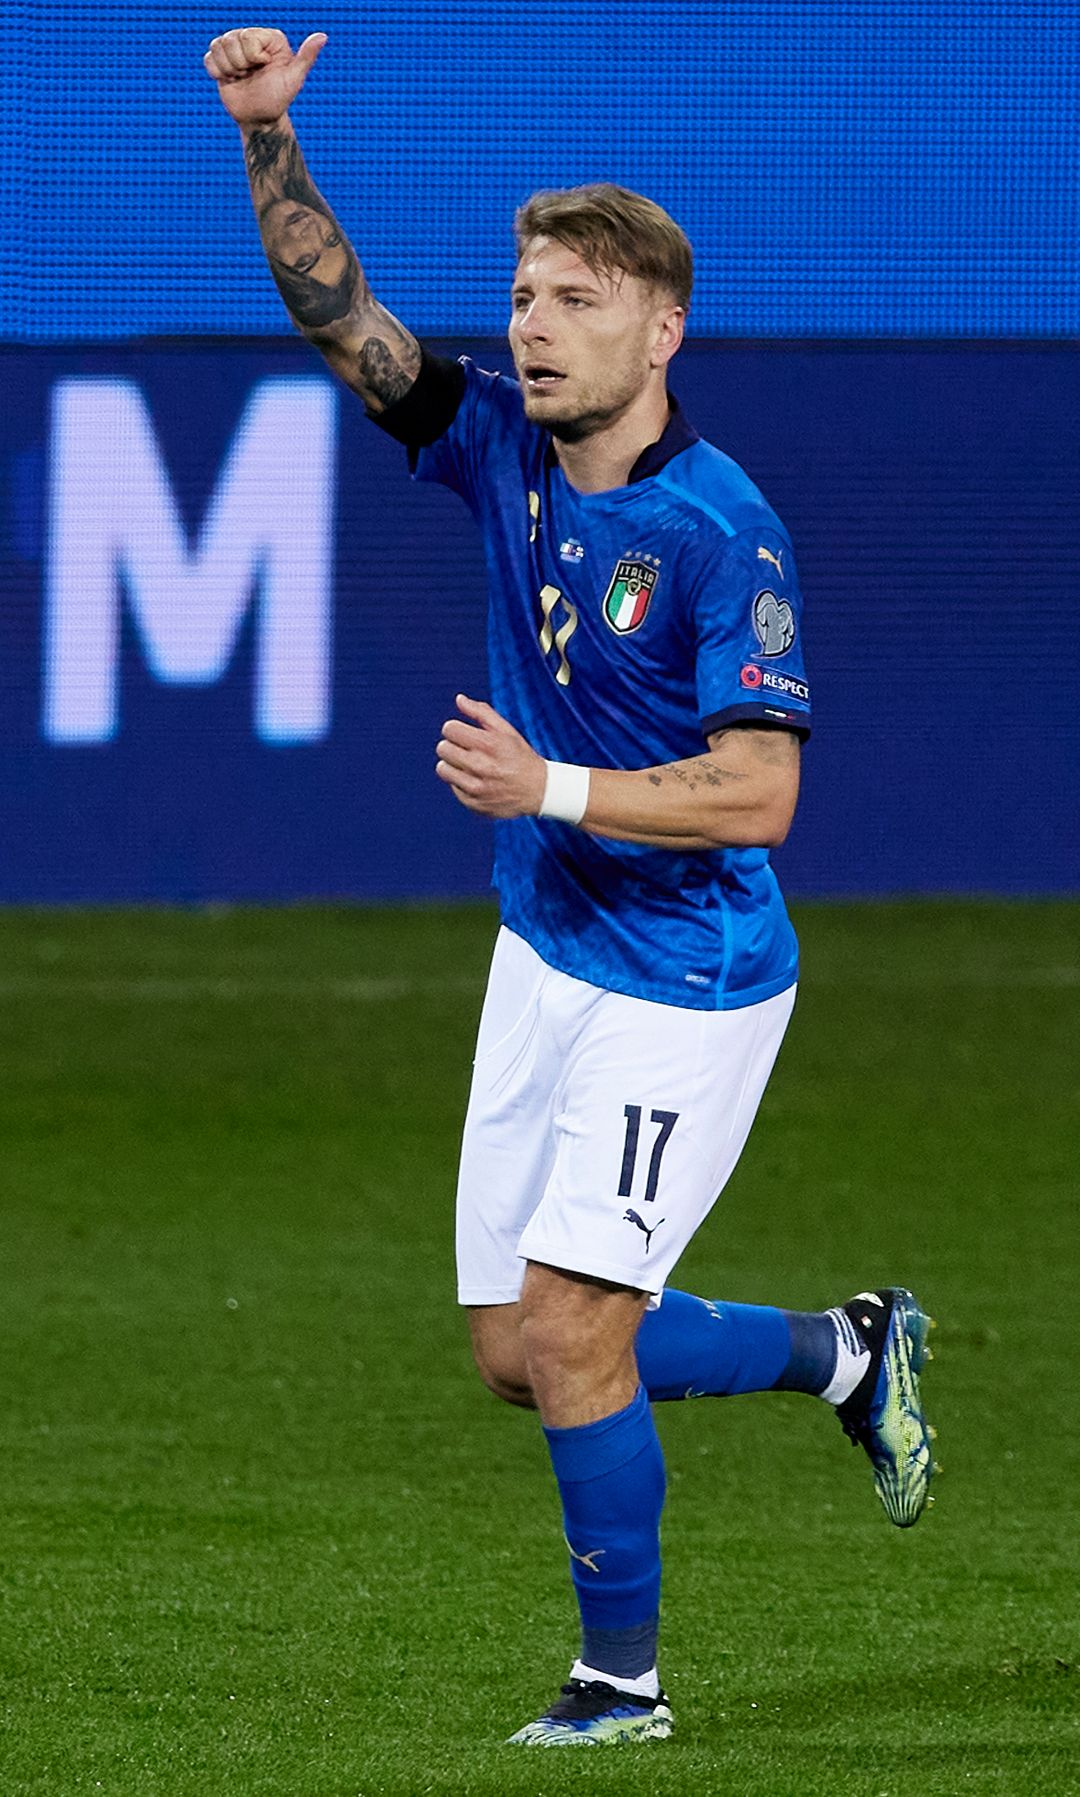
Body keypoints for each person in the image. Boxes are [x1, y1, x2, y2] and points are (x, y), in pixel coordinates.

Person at [205, 27, 937, 1749]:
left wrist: (548, 785)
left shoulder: (723, 533)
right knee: (513, 1347)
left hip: (690, 977)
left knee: (574, 1329)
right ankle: (847, 1351)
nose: (532, 326)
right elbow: (339, 317)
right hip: (545, 948)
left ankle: (624, 1684)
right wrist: (268, 138)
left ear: (661, 331)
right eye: (525, 295)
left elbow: (763, 791)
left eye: (576, 302)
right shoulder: (497, 446)